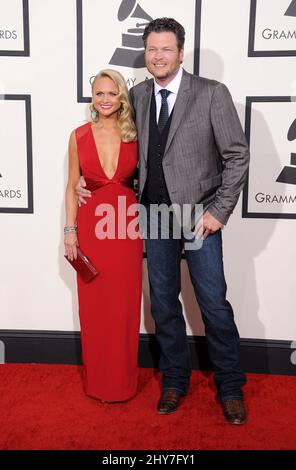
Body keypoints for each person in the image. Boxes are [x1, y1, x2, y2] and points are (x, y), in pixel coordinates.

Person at [76, 18, 250, 424]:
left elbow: (237, 156)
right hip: (152, 217)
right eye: (152, 50)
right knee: (164, 305)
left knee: (213, 304)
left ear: (180, 53)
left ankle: (229, 386)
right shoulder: (135, 96)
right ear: (146, 54)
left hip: (198, 216)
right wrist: (88, 181)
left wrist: (219, 211)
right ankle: (174, 379)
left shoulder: (211, 94)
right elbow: (114, 145)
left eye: (166, 49)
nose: (158, 56)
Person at [64, 69, 142, 402]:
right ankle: (98, 382)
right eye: (99, 93)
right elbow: (71, 186)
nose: (105, 100)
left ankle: (123, 382)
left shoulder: (135, 134)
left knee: (124, 306)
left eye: (112, 93)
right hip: (92, 227)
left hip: (125, 227)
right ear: (92, 98)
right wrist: (69, 232)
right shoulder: (79, 135)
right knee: (95, 307)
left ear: (121, 96)